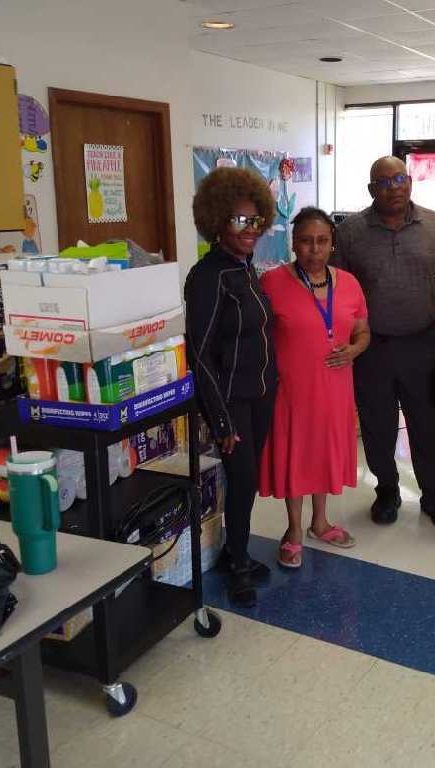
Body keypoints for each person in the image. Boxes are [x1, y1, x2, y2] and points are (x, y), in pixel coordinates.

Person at [334, 156, 435, 532]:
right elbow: (338, 291)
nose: (395, 187)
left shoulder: (434, 225)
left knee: (430, 424)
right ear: (372, 189)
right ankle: (387, 489)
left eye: (401, 178)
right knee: (377, 425)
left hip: (422, 345)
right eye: (385, 182)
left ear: (411, 182)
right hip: (371, 349)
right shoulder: (351, 232)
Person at [184, 167, 278, 608]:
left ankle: (231, 551)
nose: (250, 229)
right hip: (232, 401)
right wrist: (220, 418)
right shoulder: (208, 277)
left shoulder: (245, 268)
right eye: (241, 220)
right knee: (242, 481)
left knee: (249, 482)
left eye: (256, 220)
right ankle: (236, 561)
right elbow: (200, 355)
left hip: (260, 395)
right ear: (218, 220)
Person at [258, 207, 370, 568]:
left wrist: (354, 349)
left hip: (335, 388)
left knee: (323, 452)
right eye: (306, 241)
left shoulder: (350, 283)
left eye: (322, 241)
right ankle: (293, 530)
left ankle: (320, 523)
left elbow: (362, 331)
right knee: (295, 455)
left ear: (332, 244)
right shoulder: (272, 282)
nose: (314, 249)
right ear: (293, 243)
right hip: (291, 390)